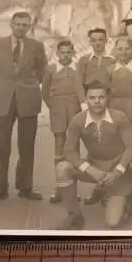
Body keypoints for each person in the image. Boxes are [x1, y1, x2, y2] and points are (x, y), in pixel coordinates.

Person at [53, 80, 132, 229]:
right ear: (85, 99)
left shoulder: (119, 117)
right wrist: (89, 169)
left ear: (107, 98)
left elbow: (131, 146)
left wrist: (119, 170)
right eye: (92, 98)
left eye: (101, 97)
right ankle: (74, 214)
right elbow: (69, 150)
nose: (97, 101)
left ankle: (124, 198)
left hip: (117, 170)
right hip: (94, 166)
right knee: (62, 168)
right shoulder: (77, 120)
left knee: (112, 222)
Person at [0, 12, 46, 203]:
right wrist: (4, 86)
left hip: (28, 100)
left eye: (25, 25)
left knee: (27, 146)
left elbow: (42, 71)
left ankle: (25, 187)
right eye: (18, 24)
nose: (21, 28)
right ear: (11, 24)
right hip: (2, 101)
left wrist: (28, 86)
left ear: (29, 27)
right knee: (2, 146)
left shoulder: (36, 46)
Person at [42, 39, 81, 204]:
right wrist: (54, 107)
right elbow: (44, 92)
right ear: (57, 54)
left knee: (74, 147)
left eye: (69, 52)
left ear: (73, 53)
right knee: (59, 145)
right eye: (62, 52)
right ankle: (59, 188)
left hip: (74, 107)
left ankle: (73, 190)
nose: (65, 56)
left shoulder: (78, 68)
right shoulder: (51, 69)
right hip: (57, 108)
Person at [74, 28, 115, 109]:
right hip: (89, 101)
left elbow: (115, 84)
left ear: (106, 41)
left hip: (108, 101)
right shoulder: (84, 60)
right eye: (94, 40)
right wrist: (83, 101)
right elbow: (78, 83)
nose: (97, 43)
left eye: (100, 40)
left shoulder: (112, 60)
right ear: (90, 42)